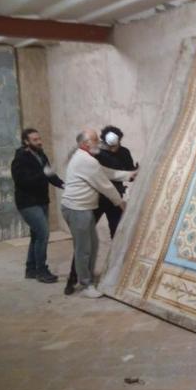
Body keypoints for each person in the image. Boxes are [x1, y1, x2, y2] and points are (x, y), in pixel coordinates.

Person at [63, 126, 137, 295]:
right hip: (92, 202)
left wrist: (129, 174)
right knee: (84, 246)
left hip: (101, 203)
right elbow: (104, 184)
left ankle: (114, 276)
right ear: (85, 144)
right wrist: (120, 202)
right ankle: (77, 280)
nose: (99, 143)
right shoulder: (91, 157)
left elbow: (108, 172)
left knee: (113, 238)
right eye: (96, 140)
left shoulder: (120, 152)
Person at [11, 128, 64, 283]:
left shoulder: (41, 154)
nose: (39, 142)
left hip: (42, 200)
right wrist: (43, 174)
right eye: (35, 140)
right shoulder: (20, 158)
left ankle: (30, 269)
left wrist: (63, 185)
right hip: (27, 203)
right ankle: (41, 270)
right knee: (43, 233)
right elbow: (22, 181)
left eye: (39, 138)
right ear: (26, 141)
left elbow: (50, 175)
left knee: (36, 235)